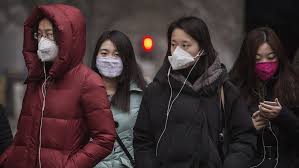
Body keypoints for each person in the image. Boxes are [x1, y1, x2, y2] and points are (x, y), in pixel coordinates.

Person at [0, 4, 116, 168]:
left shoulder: (88, 81)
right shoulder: (37, 79)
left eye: (49, 34)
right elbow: (23, 137)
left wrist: (71, 165)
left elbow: (105, 138)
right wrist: (7, 160)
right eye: (39, 35)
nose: (42, 41)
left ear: (67, 37)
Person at [133, 16, 256, 168]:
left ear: (202, 48)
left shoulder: (224, 89)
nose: (177, 51)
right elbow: (143, 140)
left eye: (185, 45)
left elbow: (244, 137)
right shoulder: (157, 90)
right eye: (173, 44)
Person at [230, 27, 299, 168]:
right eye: (257, 59)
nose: (264, 63)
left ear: (279, 56)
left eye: (271, 57)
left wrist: (283, 116)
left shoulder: (293, 85)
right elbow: (222, 137)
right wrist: (249, 127)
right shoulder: (233, 88)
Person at [91, 30, 146, 168]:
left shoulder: (142, 95)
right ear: (96, 57)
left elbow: (147, 143)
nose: (110, 59)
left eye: (117, 54)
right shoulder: (81, 93)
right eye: (104, 53)